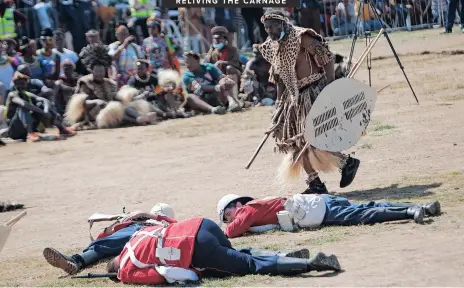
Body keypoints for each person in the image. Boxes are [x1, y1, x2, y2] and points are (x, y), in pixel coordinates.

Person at [257, 10, 361, 194]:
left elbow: (327, 59)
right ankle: (315, 183)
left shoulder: (301, 37)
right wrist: (279, 104)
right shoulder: (273, 46)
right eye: (266, 28)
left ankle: (347, 162)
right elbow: (279, 78)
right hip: (293, 98)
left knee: (313, 136)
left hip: (313, 90)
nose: (269, 31)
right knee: (295, 142)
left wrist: (329, 86)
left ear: (281, 23)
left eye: (272, 26)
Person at [106, 217, 341, 285]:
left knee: (246, 266)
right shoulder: (135, 237)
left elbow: (160, 276)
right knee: (236, 256)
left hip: (195, 247)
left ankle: (311, 263)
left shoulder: (125, 272)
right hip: (202, 225)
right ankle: (284, 256)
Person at [217, 193, 442, 239]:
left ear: (237, 205)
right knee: (368, 206)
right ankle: (419, 205)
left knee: (365, 213)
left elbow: (232, 231)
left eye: (229, 214)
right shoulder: (258, 205)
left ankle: (409, 211)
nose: (231, 219)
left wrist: (225, 227)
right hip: (318, 201)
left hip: (317, 211)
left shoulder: (246, 210)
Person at [43, 204, 176, 275]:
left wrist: (145, 215)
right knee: (103, 247)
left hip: (145, 233)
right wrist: (113, 225)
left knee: (105, 246)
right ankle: (76, 261)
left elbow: (173, 223)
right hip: (136, 237)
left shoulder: (163, 222)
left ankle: (75, 261)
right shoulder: (134, 222)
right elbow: (103, 238)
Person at [66, 44, 156, 130]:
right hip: (94, 115)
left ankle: (139, 117)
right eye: (97, 71)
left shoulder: (109, 83)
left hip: (112, 109)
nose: (99, 74)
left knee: (125, 107)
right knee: (114, 109)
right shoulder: (85, 82)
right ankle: (137, 119)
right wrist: (95, 101)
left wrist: (126, 98)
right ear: (91, 71)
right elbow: (82, 103)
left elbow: (115, 97)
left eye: (101, 71)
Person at [4, 72, 76, 142]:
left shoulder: (27, 94)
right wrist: (42, 112)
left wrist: (46, 110)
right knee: (23, 107)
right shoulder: (12, 95)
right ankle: (30, 134)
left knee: (40, 104)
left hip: (25, 127)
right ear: (14, 84)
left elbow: (44, 100)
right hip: (14, 130)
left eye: (22, 84)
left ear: (26, 84)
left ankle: (62, 129)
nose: (20, 86)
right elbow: (24, 104)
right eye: (18, 84)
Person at [203, 26, 242, 100]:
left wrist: (222, 62)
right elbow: (205, 64)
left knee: (229, 68)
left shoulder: (232, 50)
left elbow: (237, 64)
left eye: (219, 39)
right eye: (215, 39)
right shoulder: (212, 51)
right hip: (219, 76)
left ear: (225, 39)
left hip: (233, 76)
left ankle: (235, 96)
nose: (217, 41)